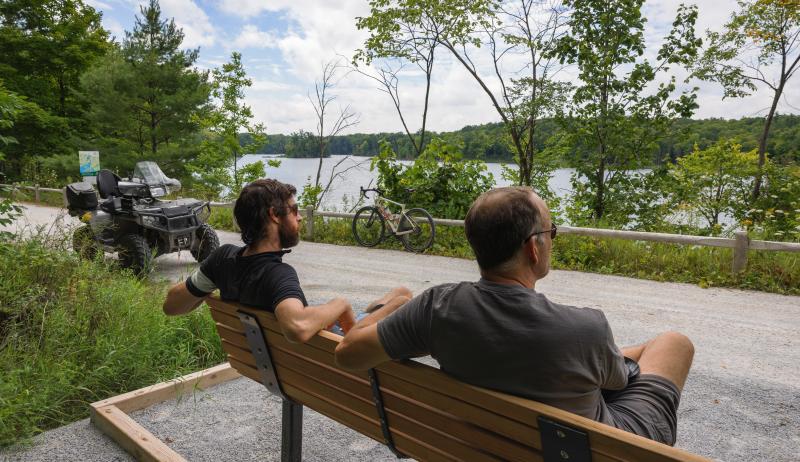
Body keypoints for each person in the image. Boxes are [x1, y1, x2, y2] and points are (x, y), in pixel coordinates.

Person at [335, 186, 695, 446]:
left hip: (485, 446)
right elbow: (618, 382)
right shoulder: (587, 328)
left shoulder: (436, 309)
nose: (551, 240)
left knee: (624, 354)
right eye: (550, 232)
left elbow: (349, 353)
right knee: (673, 343)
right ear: (533, 248)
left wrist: (392, 306)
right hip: (596, 451)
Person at [163, 178, 355, 343]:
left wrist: (206, 286)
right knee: (372, 319)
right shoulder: (278, 274)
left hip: (273, 367)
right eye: (294, 211)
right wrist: (340, 304)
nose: (300, 218)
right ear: (274, 215)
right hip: (322, 369)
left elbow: (171, 305)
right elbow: (298, 326)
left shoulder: (223, 258)